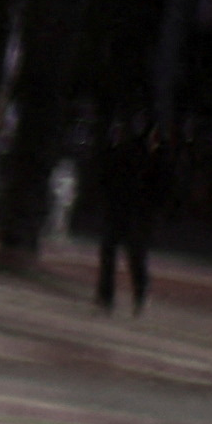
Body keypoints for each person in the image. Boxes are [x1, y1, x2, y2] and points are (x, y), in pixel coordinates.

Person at [91, 105, 161, 313]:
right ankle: (114, 295)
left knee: (128, 254)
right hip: (126, 209)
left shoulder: (136, 154)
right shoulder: (136, 153)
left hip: (129, 209)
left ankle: (124, 294)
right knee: (123, 253)